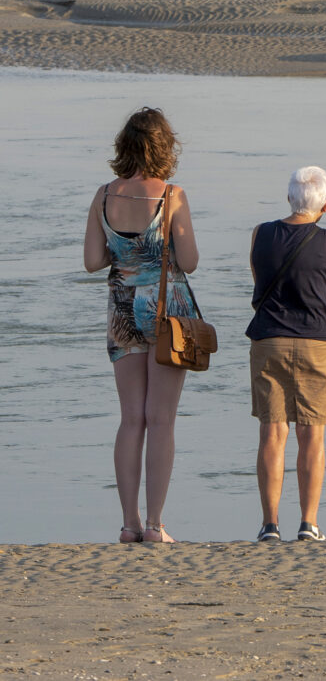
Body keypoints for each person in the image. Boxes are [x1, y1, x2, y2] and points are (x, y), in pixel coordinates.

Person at [81, 107, 201, 544]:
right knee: (162, 419)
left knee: (131, 418)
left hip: (122, 309)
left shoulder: (103, 195)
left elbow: (93, 262)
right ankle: (155, 524)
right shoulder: (172, 195)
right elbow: (189, 262)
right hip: (167, 311)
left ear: (123, 145)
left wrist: (125, 257)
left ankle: (128, 523)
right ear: (165, 147)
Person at [246, 165, 326, 543]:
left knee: (272, 432)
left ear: (289, 197)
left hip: (269, 339)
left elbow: (258, 278)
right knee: (312, 436)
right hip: (315, 341)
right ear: (325, 203)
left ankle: (269, 524)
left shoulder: (260, 234)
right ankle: (309, 524)